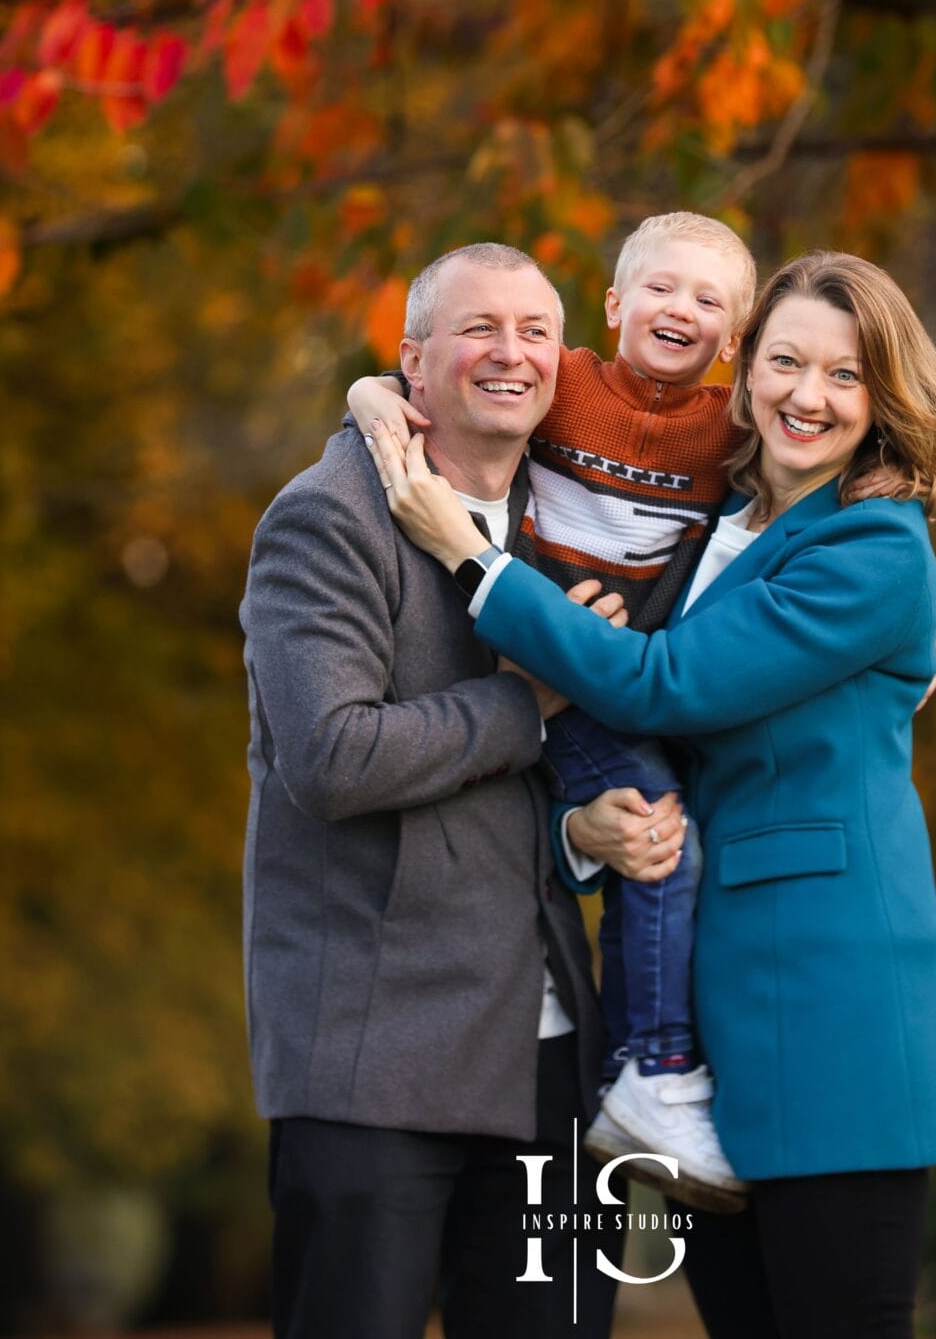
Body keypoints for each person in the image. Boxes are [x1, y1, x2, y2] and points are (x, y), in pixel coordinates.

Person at [367, 250, 936, 1339]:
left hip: (828, 993)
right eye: (784, 362)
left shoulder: (873, 548)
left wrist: (474, 561)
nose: (806, 394)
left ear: (883, 395)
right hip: (701, 1020)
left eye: (843, 376)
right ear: (741, 374)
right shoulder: (720, 519)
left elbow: (667, 686)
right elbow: (655, 744)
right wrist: (580, 835)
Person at [240, 242, 684, 1339]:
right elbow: (332, 759)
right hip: (370, 1064)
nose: (511, 353)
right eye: (478, 329)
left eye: (536, 332)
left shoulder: (569, 519)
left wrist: (881, 650)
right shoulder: (327, 517)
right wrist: (525, 703)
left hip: (544, 1068)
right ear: (411, 361)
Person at [349, 213, 757, 1208]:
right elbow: (430, 383)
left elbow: (822, 467)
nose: (681, 311)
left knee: (657, 851)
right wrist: (373, 393)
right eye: (660, 289)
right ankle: (653, 1070)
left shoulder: (730, 429)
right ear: (614, 305)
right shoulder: (561, 381)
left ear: (734, 339)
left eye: (709, 302)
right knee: (665, 838)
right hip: (537, 656)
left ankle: (641, 1060)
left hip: (628, 677)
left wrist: (900, 620)